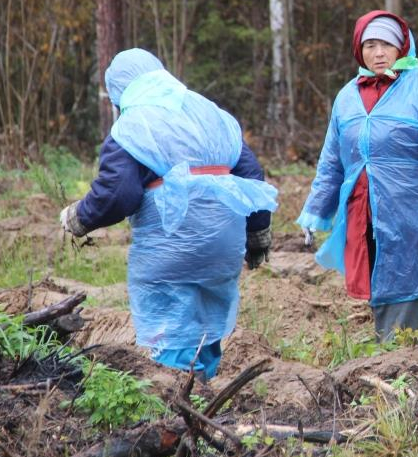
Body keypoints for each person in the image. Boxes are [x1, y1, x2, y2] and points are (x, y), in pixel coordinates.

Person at [58, 49, 277, 380]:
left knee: (171, 326)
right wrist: (257, 234)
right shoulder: (209, 111)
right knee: (206, 317)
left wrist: (80, 217)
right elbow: (250, 171)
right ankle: (203, 389)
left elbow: (118, 193)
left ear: (119, 92)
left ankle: (175, 401)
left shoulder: (134, 125)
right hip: (225, 238)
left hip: (171, 241)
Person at [297, 11, 418, 341]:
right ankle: (396, 344)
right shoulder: (347, 96)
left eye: (386, 45)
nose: (378, 53)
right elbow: (332, 159)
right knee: (377, 272)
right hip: (363, 207)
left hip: (413, 207)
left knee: (407, 274)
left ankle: (399, 350)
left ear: (401, 47)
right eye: (371, 45)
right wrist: (315, 210)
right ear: (359, 50)